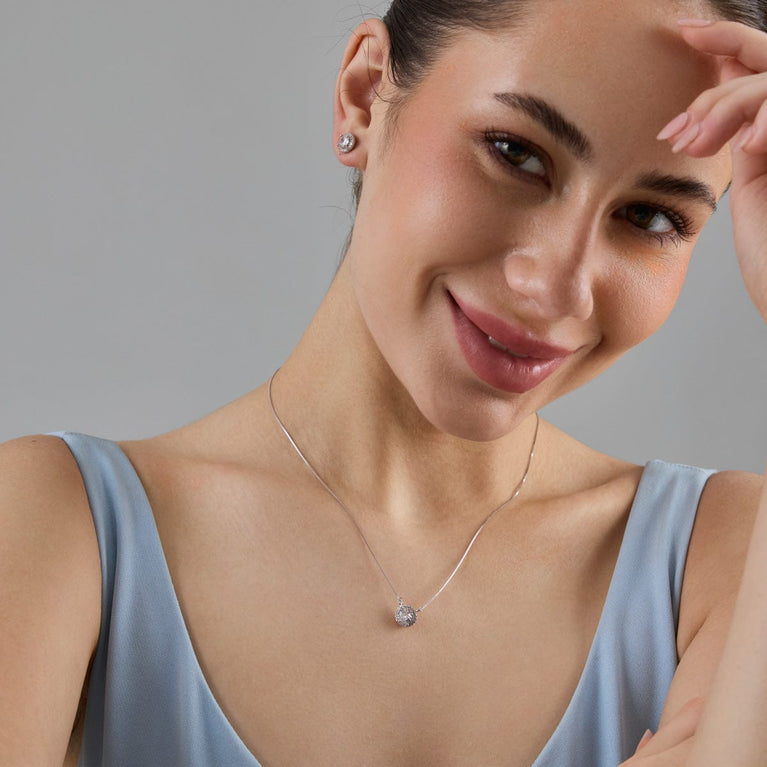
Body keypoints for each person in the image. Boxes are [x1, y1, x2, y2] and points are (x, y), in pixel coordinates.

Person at [2, 0, 767, 765]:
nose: (555, 289)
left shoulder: (727, 555)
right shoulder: (52, 525)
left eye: (651, 218)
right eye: (516, 153)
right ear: (365, 94)